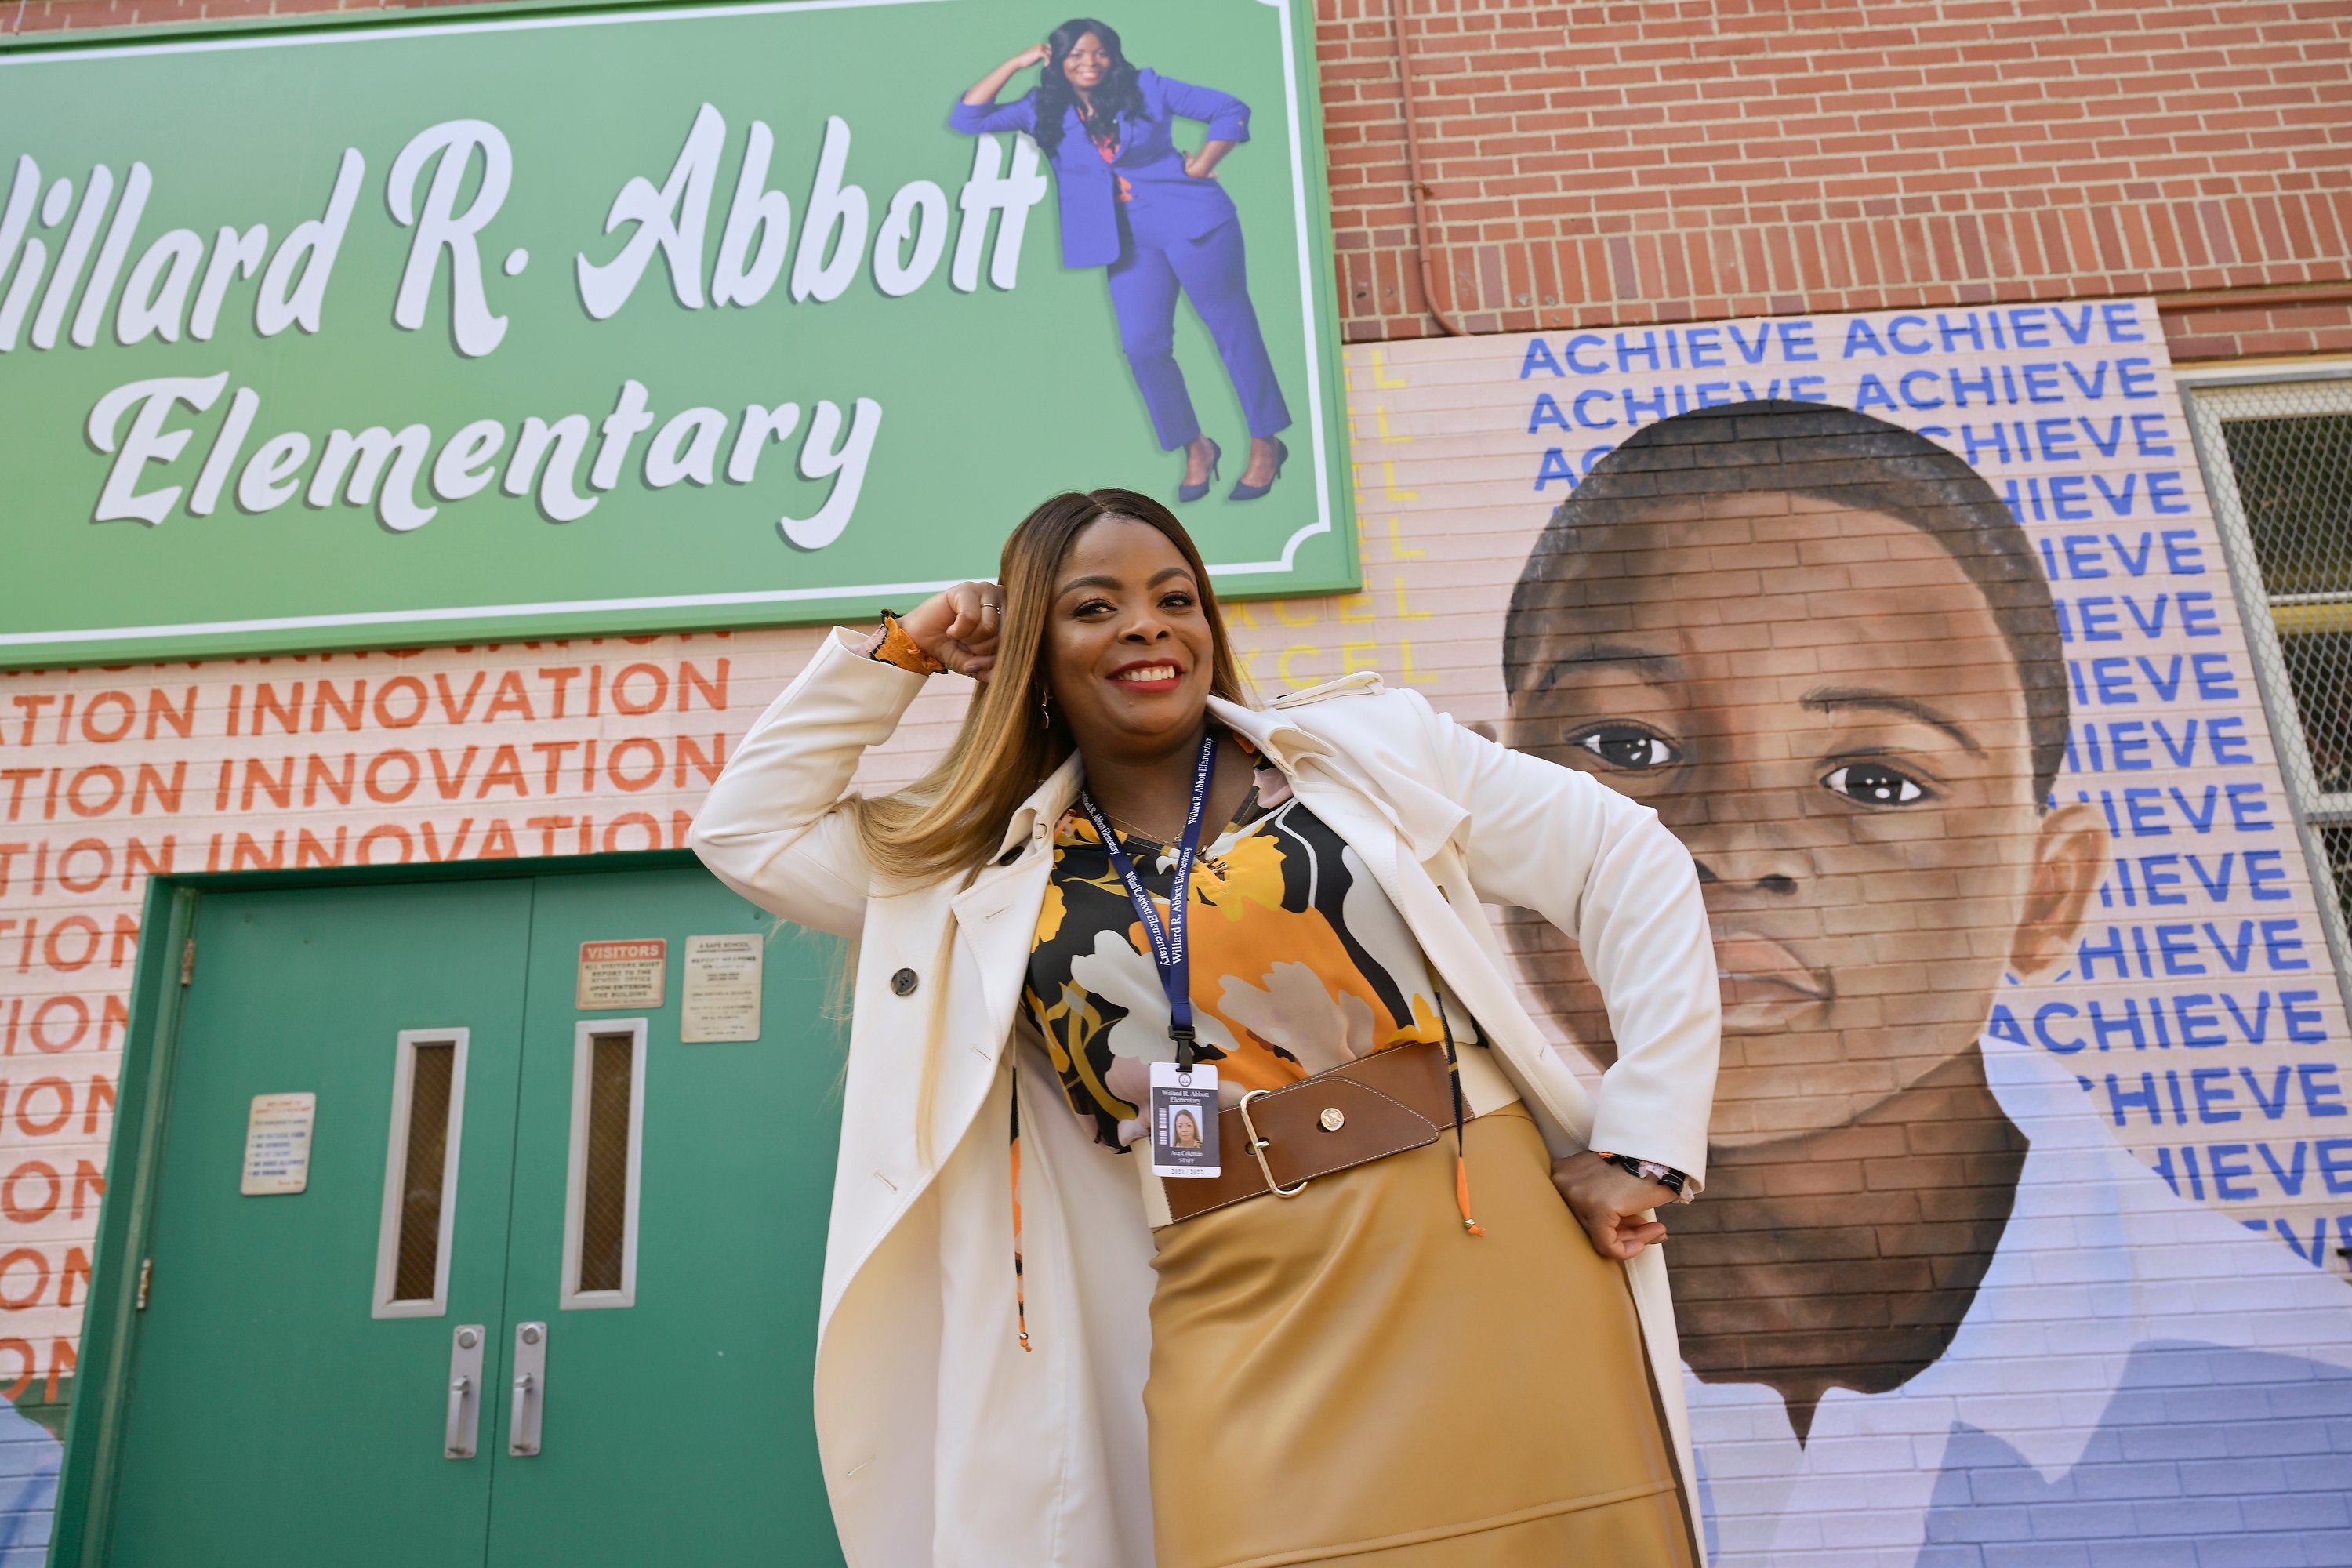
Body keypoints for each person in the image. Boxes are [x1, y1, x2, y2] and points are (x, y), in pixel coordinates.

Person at [691, 488, 1721, 1566]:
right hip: (1225, 1276)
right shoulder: (977, 863)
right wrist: (906, 649)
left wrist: (1644, 1141)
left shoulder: (1365, 752)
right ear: (1033, 648)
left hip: (1476, 1238)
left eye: (1173, 597)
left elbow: (1628, 860)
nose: (1147, 624)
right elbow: (747, 831)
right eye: (1096, 607)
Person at [1501, 400, 2352, 1563]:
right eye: (1627, 747)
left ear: (2047, 892)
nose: (1733, 844)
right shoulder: (1406, 1335)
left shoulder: (2306, 1385)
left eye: (1874, 779)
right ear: (1482, 831)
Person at [952, 20, 1293, 503]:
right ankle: (1195, 446)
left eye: (1098, 53)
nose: (1088, 63)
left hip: (1194, 222)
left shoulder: (1146, 88)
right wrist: (1016, 62)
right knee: (1142, 347)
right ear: (1058, 61)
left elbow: (1229, 110)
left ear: (1113, 55)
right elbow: (968, 118)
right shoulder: (1041, 109)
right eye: (1075, 55)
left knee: (1231, 332)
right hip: (1126, 241)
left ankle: (1265, 445)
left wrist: (1200, 164)